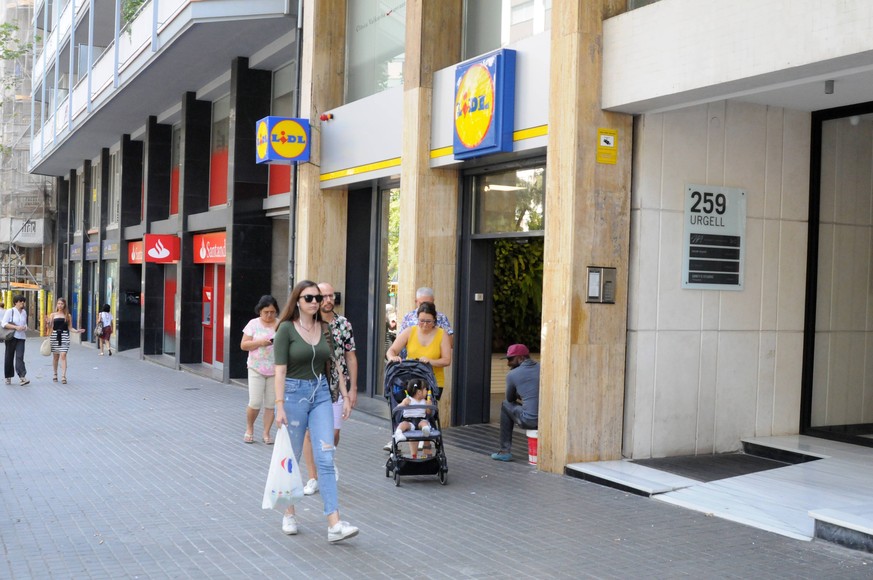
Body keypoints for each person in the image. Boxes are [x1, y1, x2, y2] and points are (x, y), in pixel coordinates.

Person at [273, 280, 358, 543]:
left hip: (321, 393)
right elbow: (280, 370)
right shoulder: (285, 329)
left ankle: (334, 523)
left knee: (325, 456)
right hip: (293, 394)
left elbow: (335, 364)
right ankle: (288, 513)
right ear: (297, 300)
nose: (314, 302)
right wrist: (278, 405)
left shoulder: (327, 329)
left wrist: (345, 395)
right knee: (293, 456)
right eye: (309, 297)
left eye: (317, 298)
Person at [301, 282, 358, 496]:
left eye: (330, 295)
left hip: (336, 386)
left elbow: (350, 356)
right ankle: (313, 477)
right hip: (311, 383)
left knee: (333, 433)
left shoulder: (344, 324)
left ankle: (327, 459)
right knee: (309, 433)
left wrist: (353, 389)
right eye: (322, 296)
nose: (327, 300)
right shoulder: (308, 323)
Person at [240, 295, 279, 445]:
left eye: (272, 312)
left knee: (270, 403)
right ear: (260, 311)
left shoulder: (280, 324)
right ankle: (249, 428)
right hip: (256, 367)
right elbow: (243, 345)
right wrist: (259, 343)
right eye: (266, 312)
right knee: (255, 401)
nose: (269, 315)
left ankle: (266, 433)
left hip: (275, 369)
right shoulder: (253, 324)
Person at [491, 344, 540, 461]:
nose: (508, 363)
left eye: (510, 359)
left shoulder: (512, 374)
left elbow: (510, 399)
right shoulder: (542, 367)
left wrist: (519, 392)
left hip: (530, 420)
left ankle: (504, 451)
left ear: (521, 358)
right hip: (547, 419)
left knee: (505, 405)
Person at [387, 302, 452, 387]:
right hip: (411, 381)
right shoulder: (409, 331)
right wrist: (392, 357)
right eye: (421, 321)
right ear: (417, 319)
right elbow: (391, 350)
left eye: (428, 321)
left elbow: (446, 360)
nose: (425, 324)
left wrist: (430, 361)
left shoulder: (442, 335)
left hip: (433, 382)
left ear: (434, 320)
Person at [45, 298, 86, 384]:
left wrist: (77, 331)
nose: (60, 305)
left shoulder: (68, 316)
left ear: (64, 305)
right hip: (55, 336)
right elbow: (50, 328)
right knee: (55, 357)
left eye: (62, 304)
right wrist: (48, 323)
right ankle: (55, 374)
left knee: (63, 355)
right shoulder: (53, 315)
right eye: (58, 303)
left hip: (64, 337)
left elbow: (70, 328)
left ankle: (63, 376)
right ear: (56, 305)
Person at [392, 378, 433, 457]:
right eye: (425, 389)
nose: (427, 391)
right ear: (419, 392)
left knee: (424, 423)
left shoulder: (425, 402)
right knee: (404, 424)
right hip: (409, 421)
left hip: (420, 420)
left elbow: (428, 413)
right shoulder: (408, 400)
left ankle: (426, 430)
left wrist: (429, 406)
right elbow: (398, 407)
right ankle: (398, 433)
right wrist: (403, 404)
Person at [2, 295, 29, 385]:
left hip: (21, 337)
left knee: (20, 356)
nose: (22, 303)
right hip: (11, 337)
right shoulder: (10, 311)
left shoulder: (24, 312)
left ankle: (22, 376)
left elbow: (25, 324)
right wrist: (16, 327)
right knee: (9, 356)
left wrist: (24, 327)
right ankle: (8, 376)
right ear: (15, 302)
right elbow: (4, 324)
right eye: (20, 301)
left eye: (23, 301)